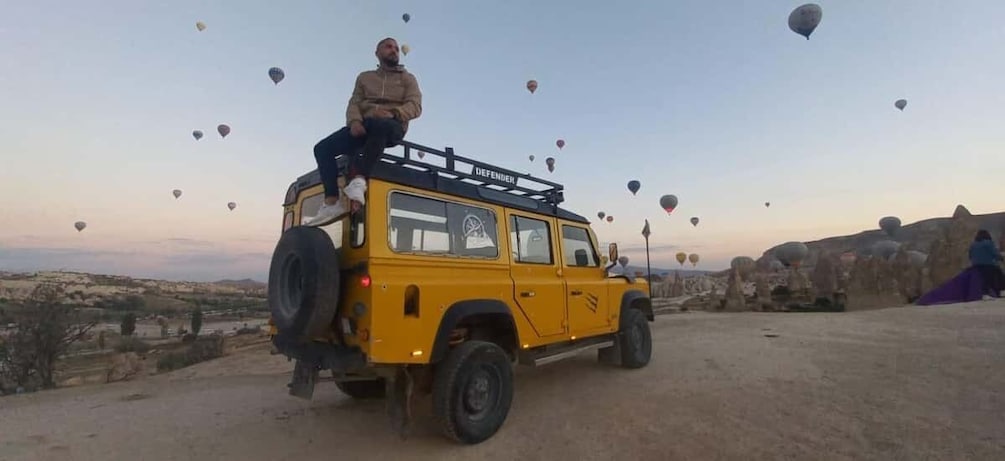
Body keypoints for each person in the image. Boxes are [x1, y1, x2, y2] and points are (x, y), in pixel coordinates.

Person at [303, 37, 422, 226]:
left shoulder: (408, 78)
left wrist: (393, 113)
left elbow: (415, 106)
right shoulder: (364, 77)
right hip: (365, 124)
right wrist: (354, 122)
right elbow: (354, 103)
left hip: (393, 125)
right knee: (322, 148)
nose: (394, 51)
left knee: (380, 124)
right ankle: (332, 201)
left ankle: (359, 180)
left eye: (397, 48)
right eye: (389, 47)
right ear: (377, 52)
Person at [968, 229, 1005, 298]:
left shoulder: (973, 244)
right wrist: (1001, 258)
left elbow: (970, 255)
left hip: (976, 265)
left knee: (984, 279)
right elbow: (995, 254)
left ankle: (986, 294)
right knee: (999, 274)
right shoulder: (989, 243)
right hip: (988, 265)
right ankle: (1001, 291)